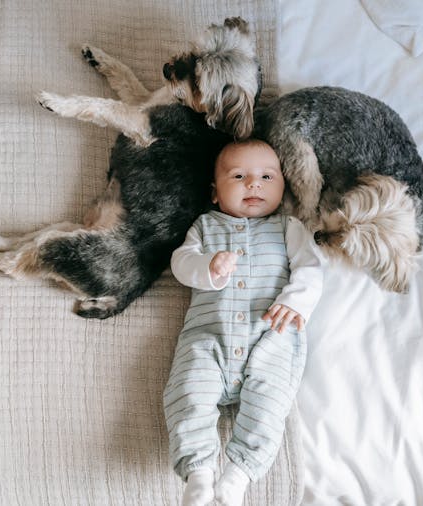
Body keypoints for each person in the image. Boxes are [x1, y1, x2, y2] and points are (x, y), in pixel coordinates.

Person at [164, 139, 325, 506]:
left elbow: (310, 269)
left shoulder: (289, 227)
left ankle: (237, 478)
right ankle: (198, 475)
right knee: (187, 393)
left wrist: (294, 301)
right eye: (239, 176)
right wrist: (208, 267)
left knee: (270, 404)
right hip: (209, 339)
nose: (254, 183)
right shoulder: (205, 227)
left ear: (282, 187)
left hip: (271, 337)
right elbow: (181, 263)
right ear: (215, 194)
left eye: (267, 176)